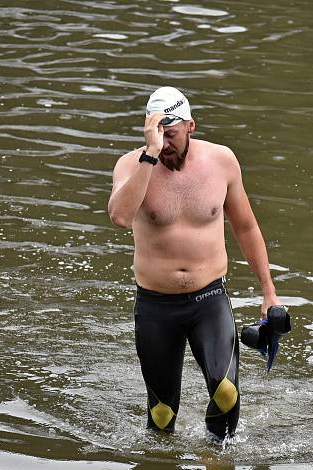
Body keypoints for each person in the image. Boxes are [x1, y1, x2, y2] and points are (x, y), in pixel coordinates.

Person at [108, 86, 281, 441]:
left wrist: (269, 292)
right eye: (157, 136)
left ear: (191, 127)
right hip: (156, 306)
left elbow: (246, 226)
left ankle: (217, 461)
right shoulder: (132, 165)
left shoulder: (221, 161)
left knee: (226, 391)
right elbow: (120, 217)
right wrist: (149, 156)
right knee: (161, 413)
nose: (164, 144)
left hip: (208, 300)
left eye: (170, 135)